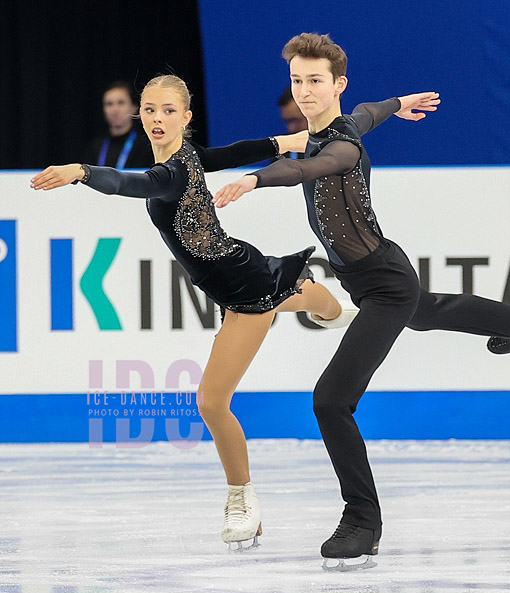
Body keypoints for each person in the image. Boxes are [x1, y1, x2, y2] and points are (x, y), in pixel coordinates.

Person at [213, 33, 510, 569]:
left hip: (383, 282)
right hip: (373, 277)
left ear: (337, 83)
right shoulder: (348, 122)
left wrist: (256, 179)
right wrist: (402, 103)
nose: (305, 91)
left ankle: (362, 521)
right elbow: (371, 110)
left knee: (331, 400)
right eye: (297, 81)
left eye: (315, 81)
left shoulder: (341, 145)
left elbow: (308, 167)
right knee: (431, 312)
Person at [30, 74, 358, 552]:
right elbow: (230, 153)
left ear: (186, 117)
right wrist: (283, 140)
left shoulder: (172, 171)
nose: (157, 119)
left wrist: (82, 170)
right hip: (234, 275)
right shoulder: (184, 157)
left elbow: (129, 182)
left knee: (210, 402)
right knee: (291, 291)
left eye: (168, 111)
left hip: (240, 284)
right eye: (149, 109)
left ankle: (242, 499)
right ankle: (325, 302)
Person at [83, 81, 153, 169]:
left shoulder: (147, 146)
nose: (115, 110)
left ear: (134, 108)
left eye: (121, 102)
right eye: (109, 104)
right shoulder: (95, 147)